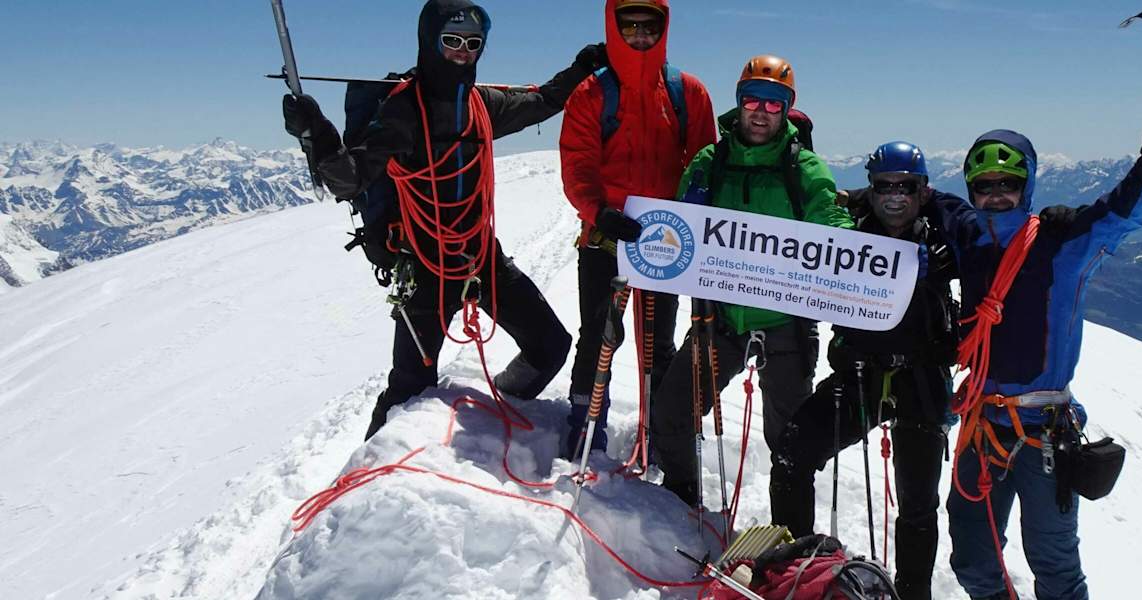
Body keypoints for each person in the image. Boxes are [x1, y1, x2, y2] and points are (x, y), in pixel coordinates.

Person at [280, 0, 608, 439]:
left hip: (481, 257)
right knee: (409, 387)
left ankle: (498, 421)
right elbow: (350, 180)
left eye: (473, 43)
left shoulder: (481, 104)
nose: (463, 51)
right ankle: (365, 482)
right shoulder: (403, 111)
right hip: (425, 266)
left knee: (551, 346)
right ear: (430, 41)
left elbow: (543, 102)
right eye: (452, 41)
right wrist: (316, 132)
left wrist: (580, 68)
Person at [930, 76, 1142, 600]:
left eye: (1007, 184)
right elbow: (924, 198)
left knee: (1053, 563)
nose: (994, 195)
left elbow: (1130, 207)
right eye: (983, 185)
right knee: (971, 552)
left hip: (1042, 431)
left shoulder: (1064, 244)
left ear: (1026, 186)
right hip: (983, 423)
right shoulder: (967, 234)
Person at [650, 55, 853, 506]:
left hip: (786, 321)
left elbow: (829, 222)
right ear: (739, 104)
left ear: (787, 109)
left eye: (775, 103)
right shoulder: (711, 161)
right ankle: (679, 502)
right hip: (720, 318)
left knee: (790, 439)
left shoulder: (805, 169)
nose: (762, 111)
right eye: (753, 100)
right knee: (672, 412)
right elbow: (681, 227)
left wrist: (871, 259)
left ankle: (789, 530)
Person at [768, 142, 960, 600]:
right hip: (860, 374)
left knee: (917, 505)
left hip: (922, 380)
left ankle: (914, 593)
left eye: (906, 187)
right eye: (884, 186)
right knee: (792, 457)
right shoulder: (849, 231)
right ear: (871, 190)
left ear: (923, 190)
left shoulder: (944, 236)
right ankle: (796, 575)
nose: (895, 196)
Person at [557, 0, 716, 456]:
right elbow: (577, 162)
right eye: (630, 26)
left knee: (659, 344)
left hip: (665, 243)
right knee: (598, 334)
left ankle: (661, 434)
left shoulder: (687, 92)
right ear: (614, 27)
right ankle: (585, 425)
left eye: (651, 26)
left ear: (663, 29)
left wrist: (694, 215)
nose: (640, 35)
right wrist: (597, 211)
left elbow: (703, 162)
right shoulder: (592, 93)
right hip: (607, 238)